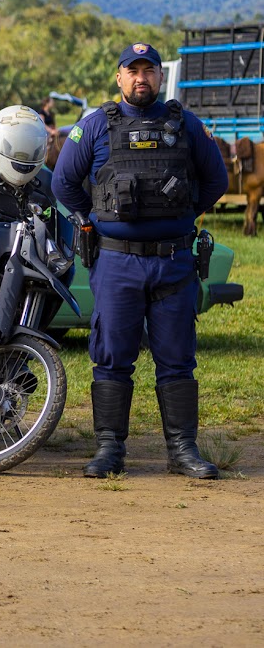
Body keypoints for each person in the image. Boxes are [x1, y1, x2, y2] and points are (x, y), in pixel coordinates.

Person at [53, 43, 227, 480]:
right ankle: (110, 450)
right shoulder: (94, 126)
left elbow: (216, 181)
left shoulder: (185, 124)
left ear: (159, 77)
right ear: (119, 77)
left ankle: (183, 451)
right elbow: (64, 182)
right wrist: (93, 220)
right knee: (111, 357)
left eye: (149, 70)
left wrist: (180, 213)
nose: (141, 78)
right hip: (117, 264)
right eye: (133, 71)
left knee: (177, 358)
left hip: (173, 262)